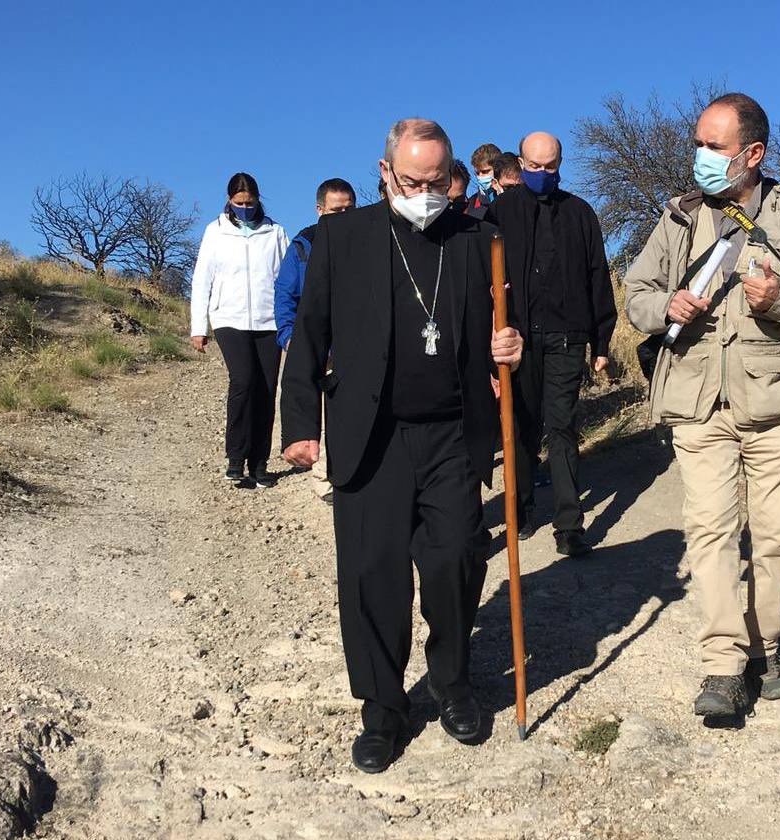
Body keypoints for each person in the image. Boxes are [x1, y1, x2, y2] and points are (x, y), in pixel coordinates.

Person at [280, 117, 524, 774]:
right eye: (412, 180)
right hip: (373, 434)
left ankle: (451, 683)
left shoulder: (479, 240)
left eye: (438, 181)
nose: (426, 193)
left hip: (451, 433)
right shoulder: (342, 237)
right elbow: (310, 333)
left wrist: (511, 347)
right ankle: (383, 708)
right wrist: (299, 421)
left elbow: (506, 323)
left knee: (455, 563)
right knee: (373, 577)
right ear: (385, 172)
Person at [624, 93, 780, 718]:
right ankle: (723, 665)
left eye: (714, 147)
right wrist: (664, 306)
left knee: (777, 535)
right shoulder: (678, 218)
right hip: (698, 404)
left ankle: (763, 645)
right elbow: (636, 294)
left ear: (752, 154)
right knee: (710, 533)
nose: (700, 156)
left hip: (777, 402)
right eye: (697, 143)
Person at [488, 131, 616, 556]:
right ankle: (522, 510)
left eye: (550, 166)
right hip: (518, 340)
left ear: (560, 164)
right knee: (521, 426)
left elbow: (599, 274)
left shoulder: (580, 213)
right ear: (520, 164)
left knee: (562, 427)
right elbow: (482, 278)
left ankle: (569, 524)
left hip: (567, 337)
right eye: (534, 166)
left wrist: (602, 339)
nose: (542, 174)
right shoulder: (499, 213)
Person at [190, 172, 289, 488]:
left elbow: (287, 281)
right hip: (228, 319)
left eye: (250, 202)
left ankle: (260, 462)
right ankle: (235, 457)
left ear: (259, 200)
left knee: (267, 389)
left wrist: (291, 321)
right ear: (229, 201)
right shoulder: (215, 232)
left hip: (268, 321)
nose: (245, 207)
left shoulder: (275, 232)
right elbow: (202, 280)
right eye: (239, 203)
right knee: (244, 381)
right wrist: (198, 326)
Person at [273, 177, 356, 502]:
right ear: (319, 210)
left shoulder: (363, 242)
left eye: (350, 209)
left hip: (351, 344)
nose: (344, 216)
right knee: (316, 414)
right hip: (313, 345)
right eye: (336, 210)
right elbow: (284, 295)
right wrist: (290, 338)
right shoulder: (302, 247)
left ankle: (347, 470)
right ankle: (324, 480)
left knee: (348, 412)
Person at [466, 143, 501, 219]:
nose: (480, 177)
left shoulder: (513, 199)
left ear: (498, 169)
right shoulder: (471, 204)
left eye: (485, 171)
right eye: (477, 173)